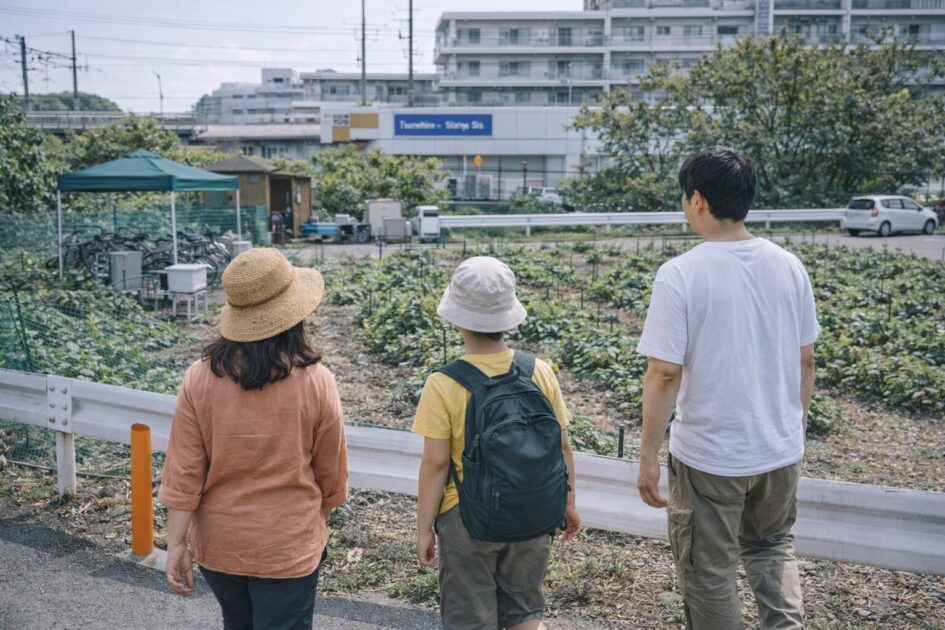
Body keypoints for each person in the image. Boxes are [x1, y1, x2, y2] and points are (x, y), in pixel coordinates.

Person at [635, 147, 819, 630]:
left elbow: (664, 374)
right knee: (772, 546)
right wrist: (793, 430)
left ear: (697, 199)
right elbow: (805, 359)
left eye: (684, 196)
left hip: (711, 456)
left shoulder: (680, 273)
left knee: (708, 570)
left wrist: (648, 454)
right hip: (779, 450)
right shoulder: (789, 265)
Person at [158, 248, 348, 629]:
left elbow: (184, 472)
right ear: (293, 315)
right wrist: (316, 522)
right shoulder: (316, 381)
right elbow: (332, 473)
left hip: (220, 545)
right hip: (289, 545)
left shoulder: (199, 378)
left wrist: (175, 543)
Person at [412, 256, 581, 630]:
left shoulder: (444, 384)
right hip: (534, 510)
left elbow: (436, 465)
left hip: (468, 520)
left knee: (472, 618)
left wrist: (424, 529)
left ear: (458, 319)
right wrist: (567, 502)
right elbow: (562, 446)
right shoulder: (539, 371)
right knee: (525, 611)